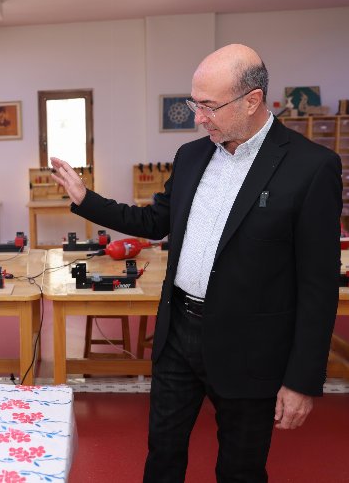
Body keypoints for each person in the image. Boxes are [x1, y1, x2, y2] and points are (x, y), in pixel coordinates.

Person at [51, 44, 341, 482]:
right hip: (178, 336)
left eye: (208, 106)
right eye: (194, 104)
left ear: (252, 100)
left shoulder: (311, 167)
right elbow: (154, 220)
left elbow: (318, 286)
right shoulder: (192, 156)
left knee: (240, 469)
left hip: (251, 349)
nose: (197, 117)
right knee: (162, 455)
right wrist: (85, 200)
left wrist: (302, 380)